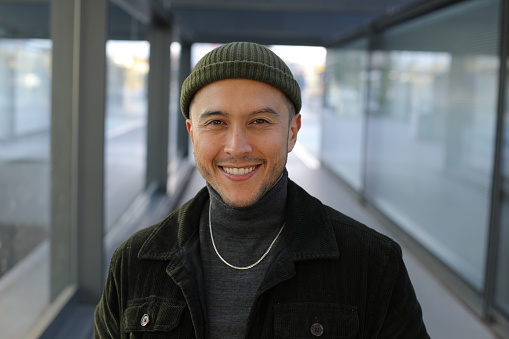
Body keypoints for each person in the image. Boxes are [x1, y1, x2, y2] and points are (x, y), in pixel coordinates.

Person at [94, 41, 429, 338]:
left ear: (292, 132)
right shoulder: (134, 262)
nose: (237, 147)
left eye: (260, 121)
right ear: (192, 133)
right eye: (216, 122)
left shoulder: (372, 263)